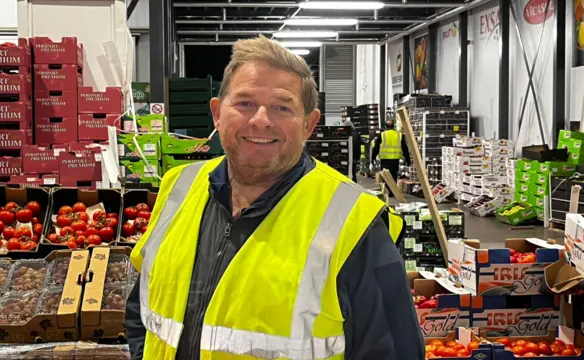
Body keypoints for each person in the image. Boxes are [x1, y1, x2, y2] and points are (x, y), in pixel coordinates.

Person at [125, 35, 424, 360]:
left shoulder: (354, 223)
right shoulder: (178, 187)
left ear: (309, 124)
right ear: (217, 113)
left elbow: (395, 351)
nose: (261, 119)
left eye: (282, 107)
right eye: (244, 103)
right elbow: (142, 308)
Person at [372, 119, 411, 195]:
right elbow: (405, 148)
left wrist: (372, 158)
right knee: (394, 175)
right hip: (395, 159)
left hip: (385, 159)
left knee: (385, 176)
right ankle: (392, 190)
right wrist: (408, 159)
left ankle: (390, 190)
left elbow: (376, 148)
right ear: (393, 126)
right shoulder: (399, 135)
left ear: (385, 126)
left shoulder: (382, 135)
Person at [341, 118, 361, 183]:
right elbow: (358, 146)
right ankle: (355, 184)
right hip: (355, 156)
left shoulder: (347, 134)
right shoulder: (356, 134)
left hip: (347, 156)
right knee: (353, 171)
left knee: (348, 172)